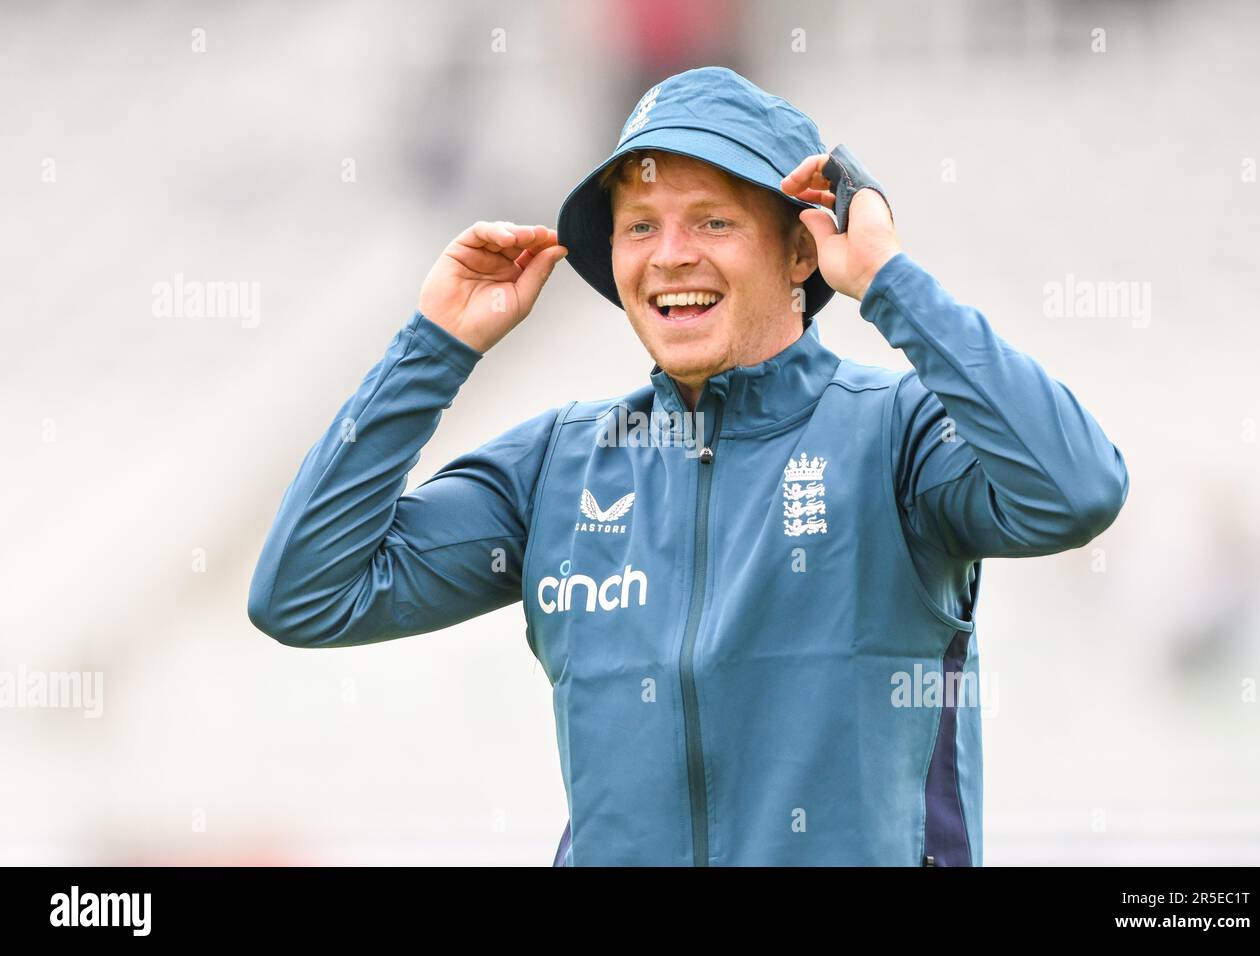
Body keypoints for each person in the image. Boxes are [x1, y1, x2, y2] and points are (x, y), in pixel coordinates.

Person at [247, 66, 1129, 866]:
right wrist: (432, 348)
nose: (668, 254)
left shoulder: (894, 434)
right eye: (640, 227)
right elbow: (304, 594)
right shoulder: (560, 463)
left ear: (799, 251)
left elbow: (1076, 489)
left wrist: (889, 279)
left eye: (713, 219)